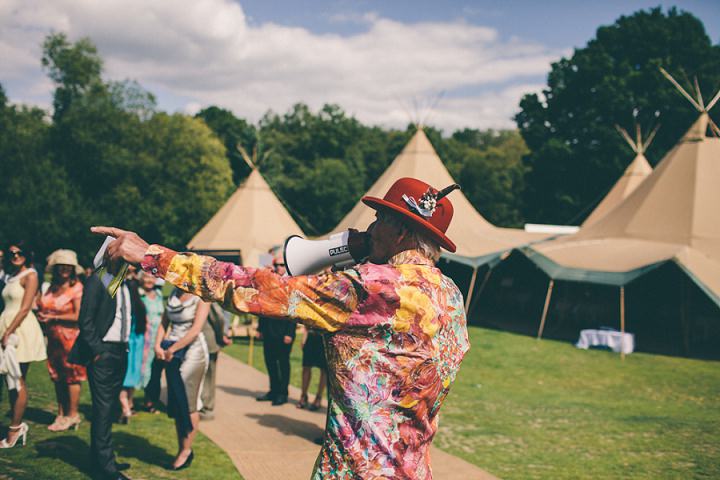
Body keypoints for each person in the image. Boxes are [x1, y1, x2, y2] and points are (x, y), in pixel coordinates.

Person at [93, 177, 469, 479]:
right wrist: (358, 253)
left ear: (400, 232)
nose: (368, 227)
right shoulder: (450, 296)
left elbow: (253, 287)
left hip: (356, 471)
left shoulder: (370, 287)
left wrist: (154, 257)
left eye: (378, 220)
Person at [68, 273, 133, 480]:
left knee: (109, 408)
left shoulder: (123, 282)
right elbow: (85, 319)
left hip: (121, 350)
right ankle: (106, 469)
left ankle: (103, 460)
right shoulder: (99, 280)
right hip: (104, 351)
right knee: (103, 409)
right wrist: (97, 350)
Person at [155, 288, 209, 470]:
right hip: (173, 350)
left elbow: (195, 330)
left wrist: (173, 348)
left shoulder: (202, 296)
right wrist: (157, 345)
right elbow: (164, 322)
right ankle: (182, 448)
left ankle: (186, 451)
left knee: (188, 402)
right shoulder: (173, 294)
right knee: (177, 400)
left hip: (193, 352)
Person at [0, 241, 46, 449]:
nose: (16, 256)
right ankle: (15, 425)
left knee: (18, 379)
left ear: (26, 255)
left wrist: (9, 332)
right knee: (10, 377)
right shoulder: (10, 276)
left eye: (19, 253)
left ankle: (15, 429)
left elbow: (26, 307)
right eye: (12, 254)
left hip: (20, 329)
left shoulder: (31, 275)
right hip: (6, 325)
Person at [36, 249, 86, 432]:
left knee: (72, 377)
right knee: (57, 375)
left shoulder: (77, 288)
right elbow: (43, 305)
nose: (64, 269)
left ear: (73, 269)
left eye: (68, 266)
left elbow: (79, 315)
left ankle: (72, 414)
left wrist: (54, 318)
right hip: (53, 338)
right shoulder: (51, 288)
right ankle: (61, 413)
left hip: (70, 339)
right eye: (61, 266)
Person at [256, 250, 296, 406]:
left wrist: (290, 333)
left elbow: (293, 310)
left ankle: (283, 393)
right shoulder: (268, 282)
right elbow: (261, 305)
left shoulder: (291, 283)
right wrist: (260, 328)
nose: (279, 267)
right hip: (268, 330)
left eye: (281, 265)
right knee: (270, 362)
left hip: (284, 331)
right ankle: (273, 390)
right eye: (276, 265)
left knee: (283, 363)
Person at [118, 279, 147, 423]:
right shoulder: (142, 306)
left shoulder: (126, 309)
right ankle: (129, 403)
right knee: (133, 378)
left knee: (123, 379)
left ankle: (125, 409)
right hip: (138, 344)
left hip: (128, 343)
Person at [138, 272, 165, 413]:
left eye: (152, 278)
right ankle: (132, 400)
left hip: (158, 338)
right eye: (146, 277)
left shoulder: (159, 295)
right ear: (141, 279)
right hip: (143, 338)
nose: (149, 280)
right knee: (144, 368)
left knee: (156, 370)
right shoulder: (138, 294)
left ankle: (151, 400)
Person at [199, 302, 231, 420]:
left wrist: (222, 334)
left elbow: (218, 317)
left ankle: (207, 407)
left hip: (208, 339)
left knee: (209, 376)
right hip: (200, 339)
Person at [296, 325, 327, 411]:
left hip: (325, 338)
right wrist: (304, 337)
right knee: (306, 367)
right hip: (311, 336)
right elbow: (307, 321)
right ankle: (303, 396)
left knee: (324, 370)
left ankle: (318, 397)